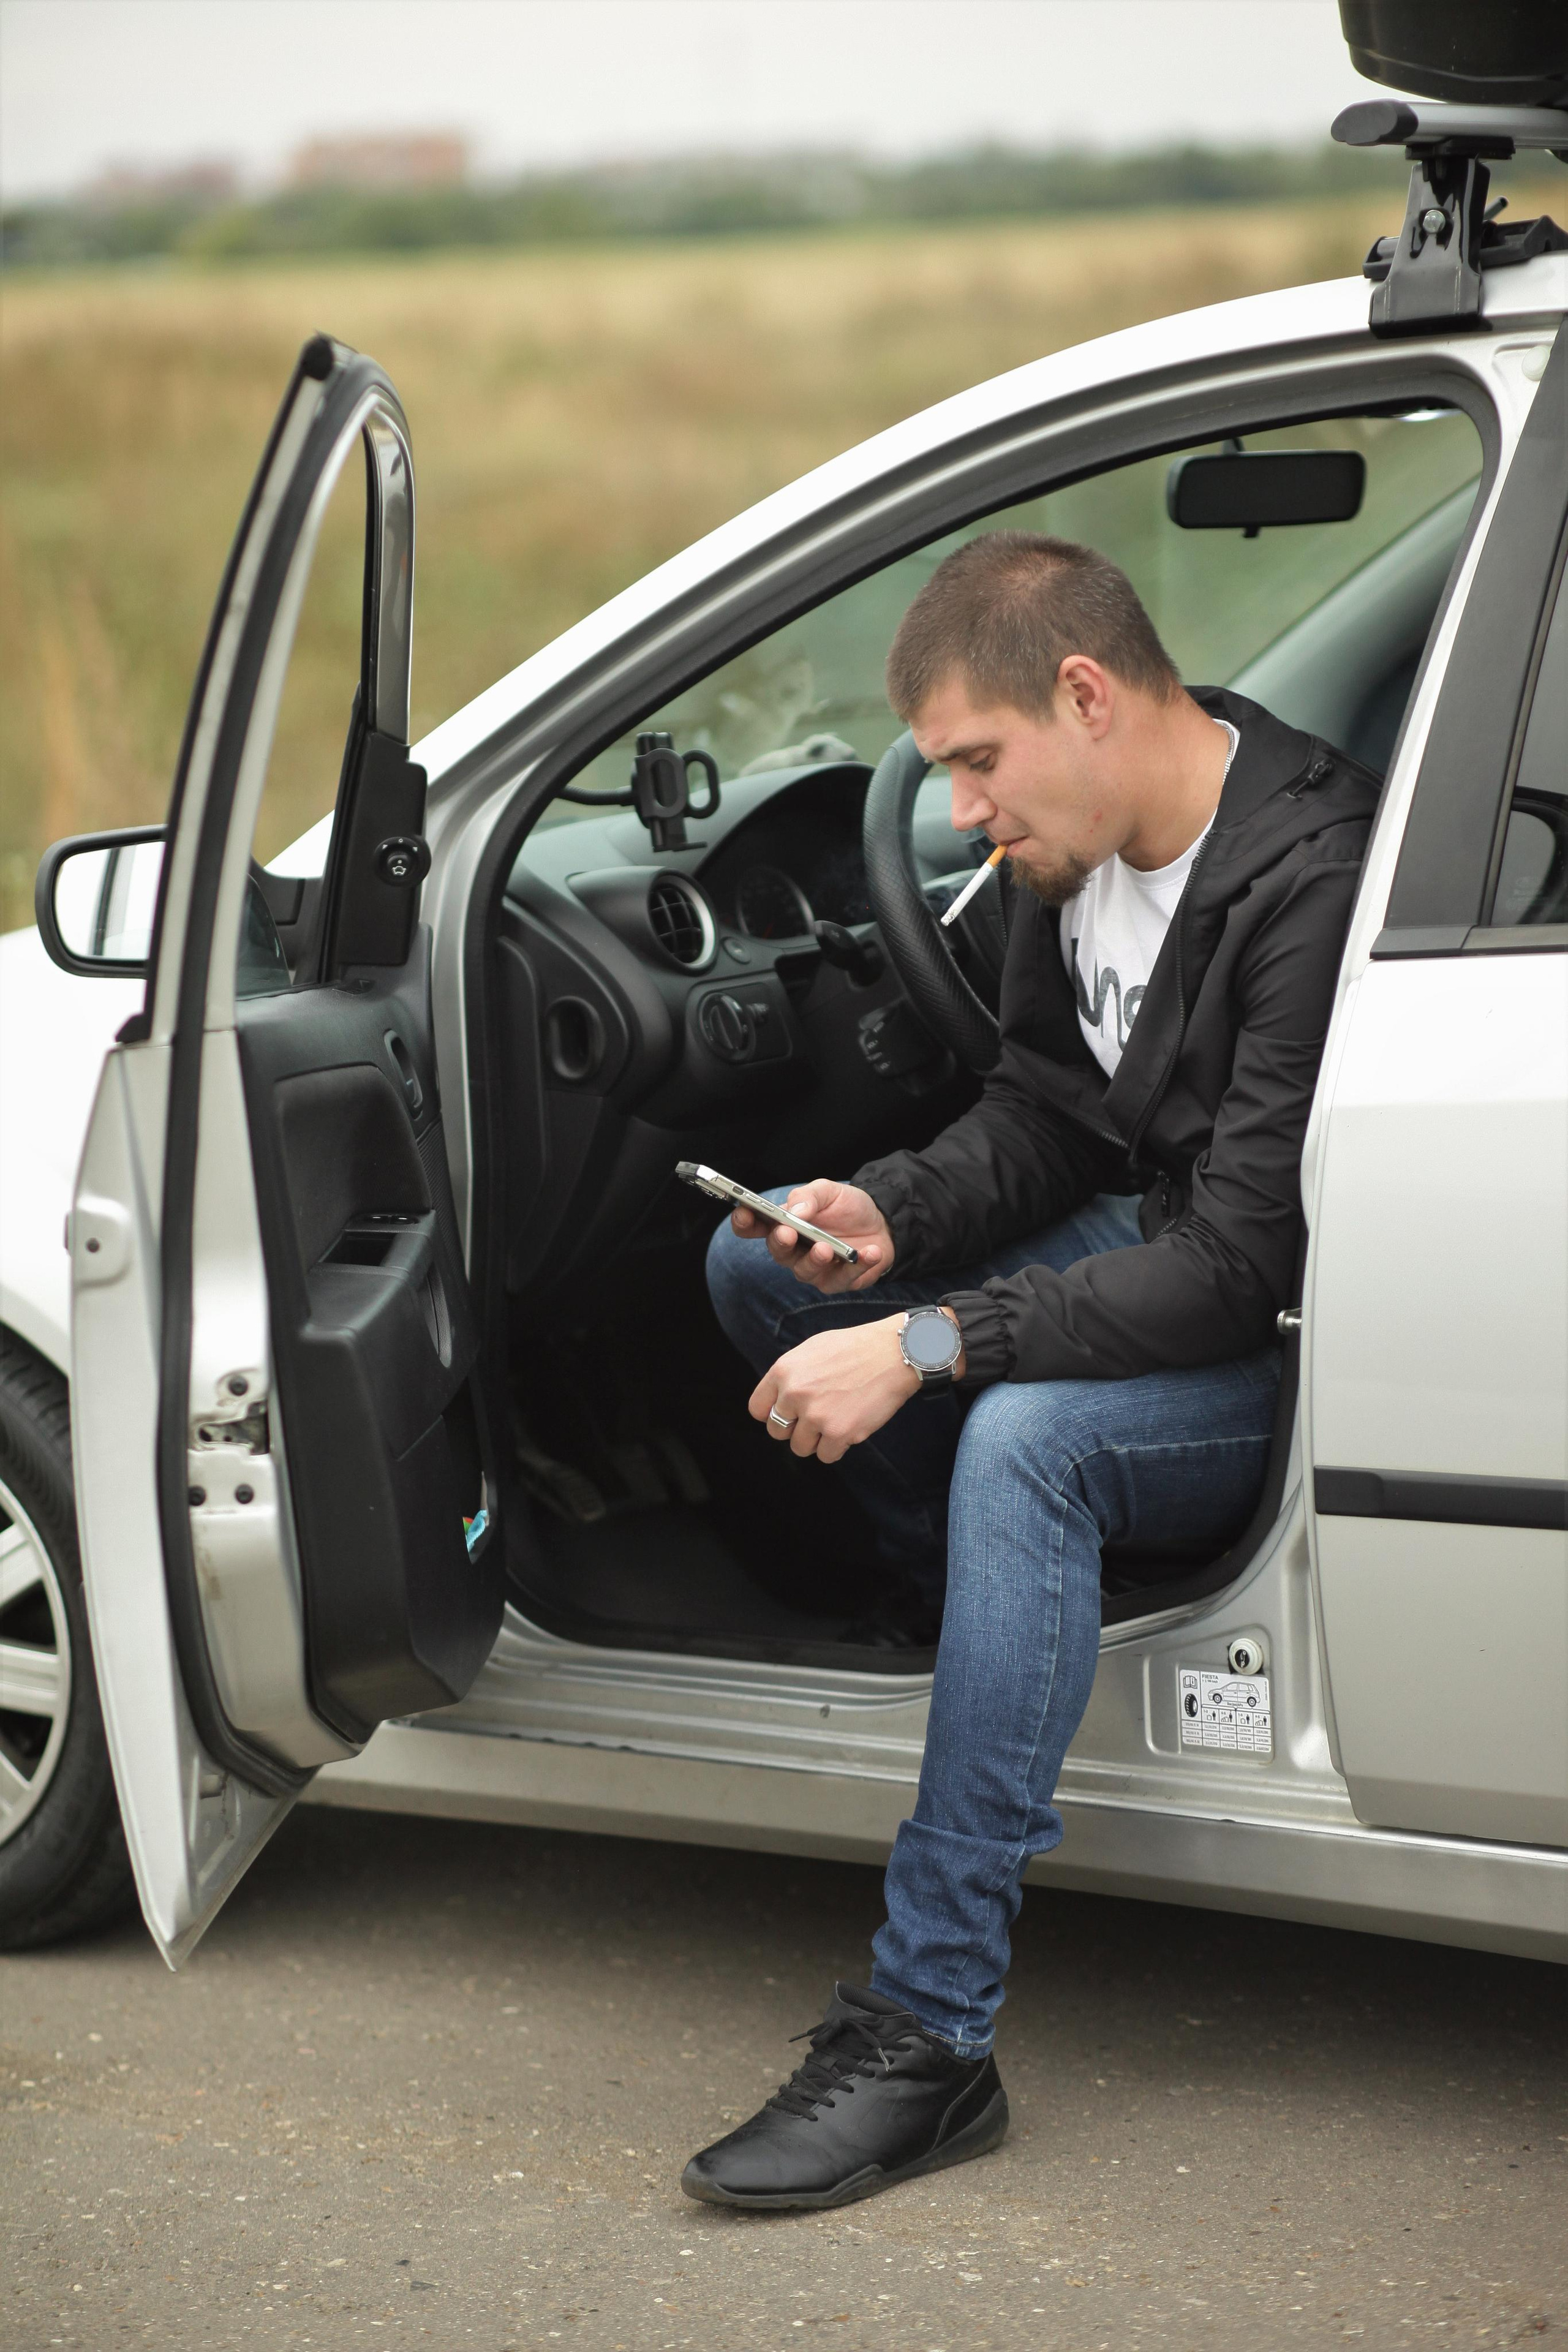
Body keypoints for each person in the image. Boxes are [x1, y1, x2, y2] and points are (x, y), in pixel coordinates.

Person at [680, 530, 1379, 2212]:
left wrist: (933, 1342)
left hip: (1264, 1351)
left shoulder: (1307, 868)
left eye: (978, 767)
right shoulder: (1066, 867)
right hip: (1140, 1268)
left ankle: (927, 2034)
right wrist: (885, 1217)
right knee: (753, 1272)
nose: (968, 816)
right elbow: (1047, 1120)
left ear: (1084, 696)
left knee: (1024, 1449)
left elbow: (1233, 1269)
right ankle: (995, 1641)